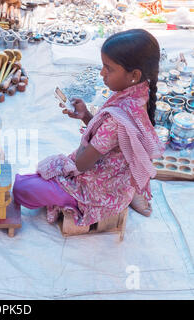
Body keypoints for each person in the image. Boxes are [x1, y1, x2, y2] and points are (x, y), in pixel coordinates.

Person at [13, 29, 165, 227]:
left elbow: (82, 164)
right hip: (117, 180)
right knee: (36, 175)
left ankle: (78, 203)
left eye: (108, 69)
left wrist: (90, 134)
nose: (102, 73)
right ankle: (130, 194)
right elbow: (113, 140)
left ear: (134, 74)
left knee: (21, 188)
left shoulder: (117, 118)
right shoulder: (139, 93)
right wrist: (87, 117)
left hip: (98, 192)